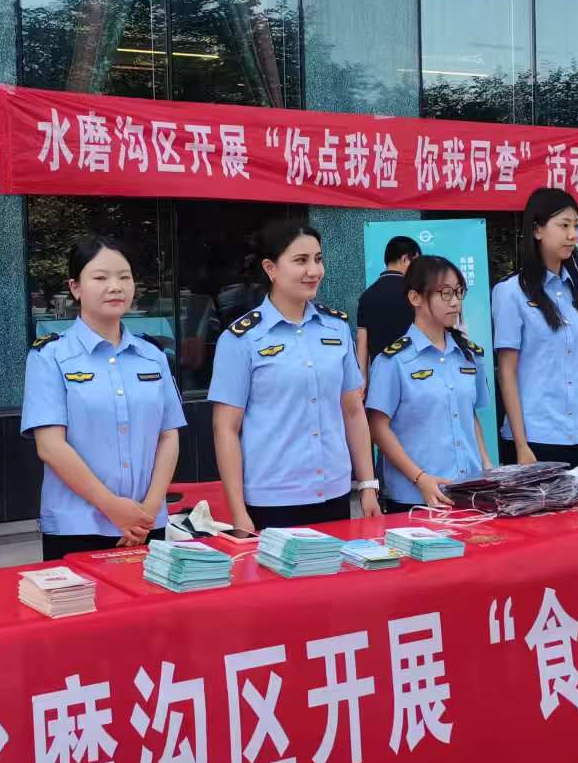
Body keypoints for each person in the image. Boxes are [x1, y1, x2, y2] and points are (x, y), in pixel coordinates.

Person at [209, 219, 380, 532]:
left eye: (318, 259)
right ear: (271, 269)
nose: (314, 270)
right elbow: (225, 429)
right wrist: (238, 511)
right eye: (301, 261)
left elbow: (353, 411)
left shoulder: (336, 329)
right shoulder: (241, 339)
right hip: (272, 500)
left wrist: (367, 484)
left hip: (335, 492)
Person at [22, 237, 186, 558]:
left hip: (146, 522)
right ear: (75, 287)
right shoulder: (50, 356)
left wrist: (150, 508)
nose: (115, 287)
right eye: (100, 277)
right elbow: (50, 446)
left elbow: (168, 435)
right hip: (77, 527)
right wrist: (112, 507)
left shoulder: (152, 355)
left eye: (124, 277)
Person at [491, 187, 578, 467]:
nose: (573, 235)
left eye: (576, 225)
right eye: (564, 225)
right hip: (536, 439)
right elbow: (506, 372)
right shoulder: (511, 292)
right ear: (537, 230)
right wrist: (521, 445)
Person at [365, 255, 493, 509]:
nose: (455, 302)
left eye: (459, 292)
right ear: (415, 298)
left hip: (467, 490)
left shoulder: (469, 355)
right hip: (414, 497)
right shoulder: (393, 361)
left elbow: (469, 416)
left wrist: (486, 464)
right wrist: (420, 478)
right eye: (445, 293)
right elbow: (378, 427)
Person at [356, 235, 420, 381]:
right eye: (416, 263)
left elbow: (361, 341)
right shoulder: (415, 295)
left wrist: (362, 380)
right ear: (405, 259)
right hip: (415, 377)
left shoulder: (367, 296)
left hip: (381, 379)